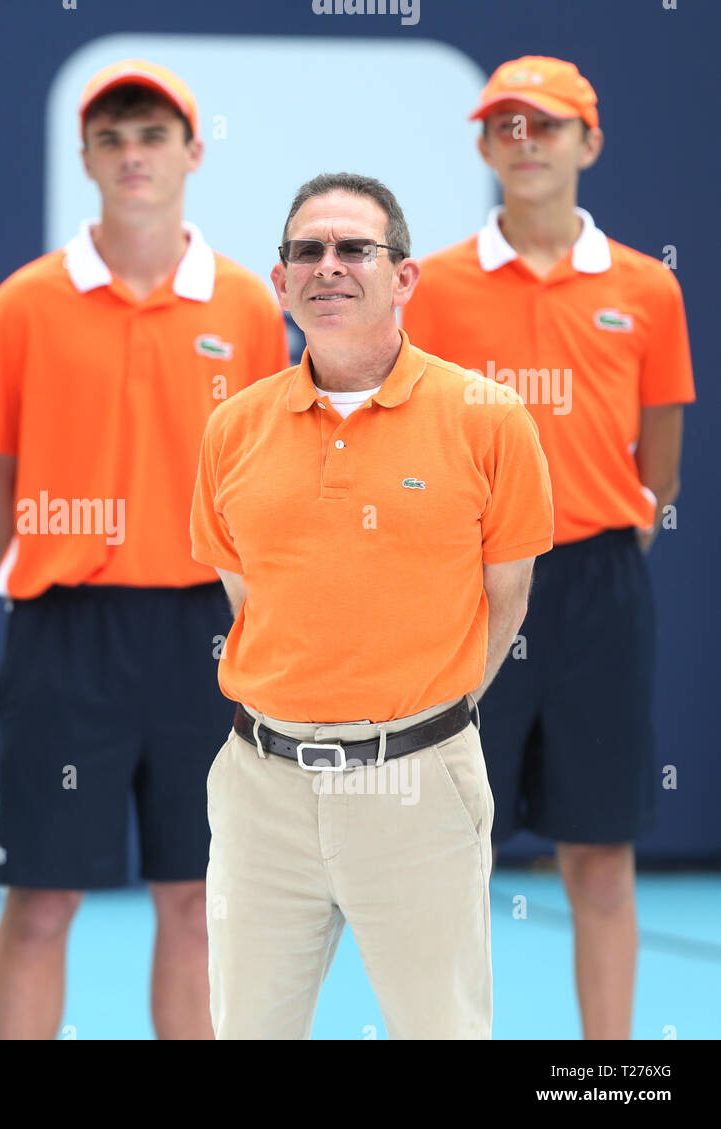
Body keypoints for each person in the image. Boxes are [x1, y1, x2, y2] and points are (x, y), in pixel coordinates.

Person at [0, 59, 289, 1039]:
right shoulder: (21, 302)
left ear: (192, 152)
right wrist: (33, 575)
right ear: (87, 157)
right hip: (66, 633)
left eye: (152, 137)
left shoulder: (240, 305)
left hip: (205, 636)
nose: (133, 156)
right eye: (112, 138)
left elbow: (271, 473)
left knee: (195, 900)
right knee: (43, 899)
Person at [192, 172, 554, 1039]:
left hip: (419, 784)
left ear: (405, 276)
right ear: (279, 282)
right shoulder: (232, 429)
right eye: (306, 251)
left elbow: (505, 598)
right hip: (260, 789)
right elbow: (252, 595)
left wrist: (418, 716)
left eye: (355, 247)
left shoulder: (488, 418)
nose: (329, 266)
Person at [400, 56, 695, 1040]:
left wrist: (619, 520)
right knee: (451, 851)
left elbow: (659, 451)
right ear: (483, 147)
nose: (525, 143)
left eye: (547, 125)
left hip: (596, 592)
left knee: (599, 856)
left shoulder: (647, 288)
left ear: (588, 141)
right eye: (506, 127)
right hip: (463, 588)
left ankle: (604, 1067)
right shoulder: (429, 288)